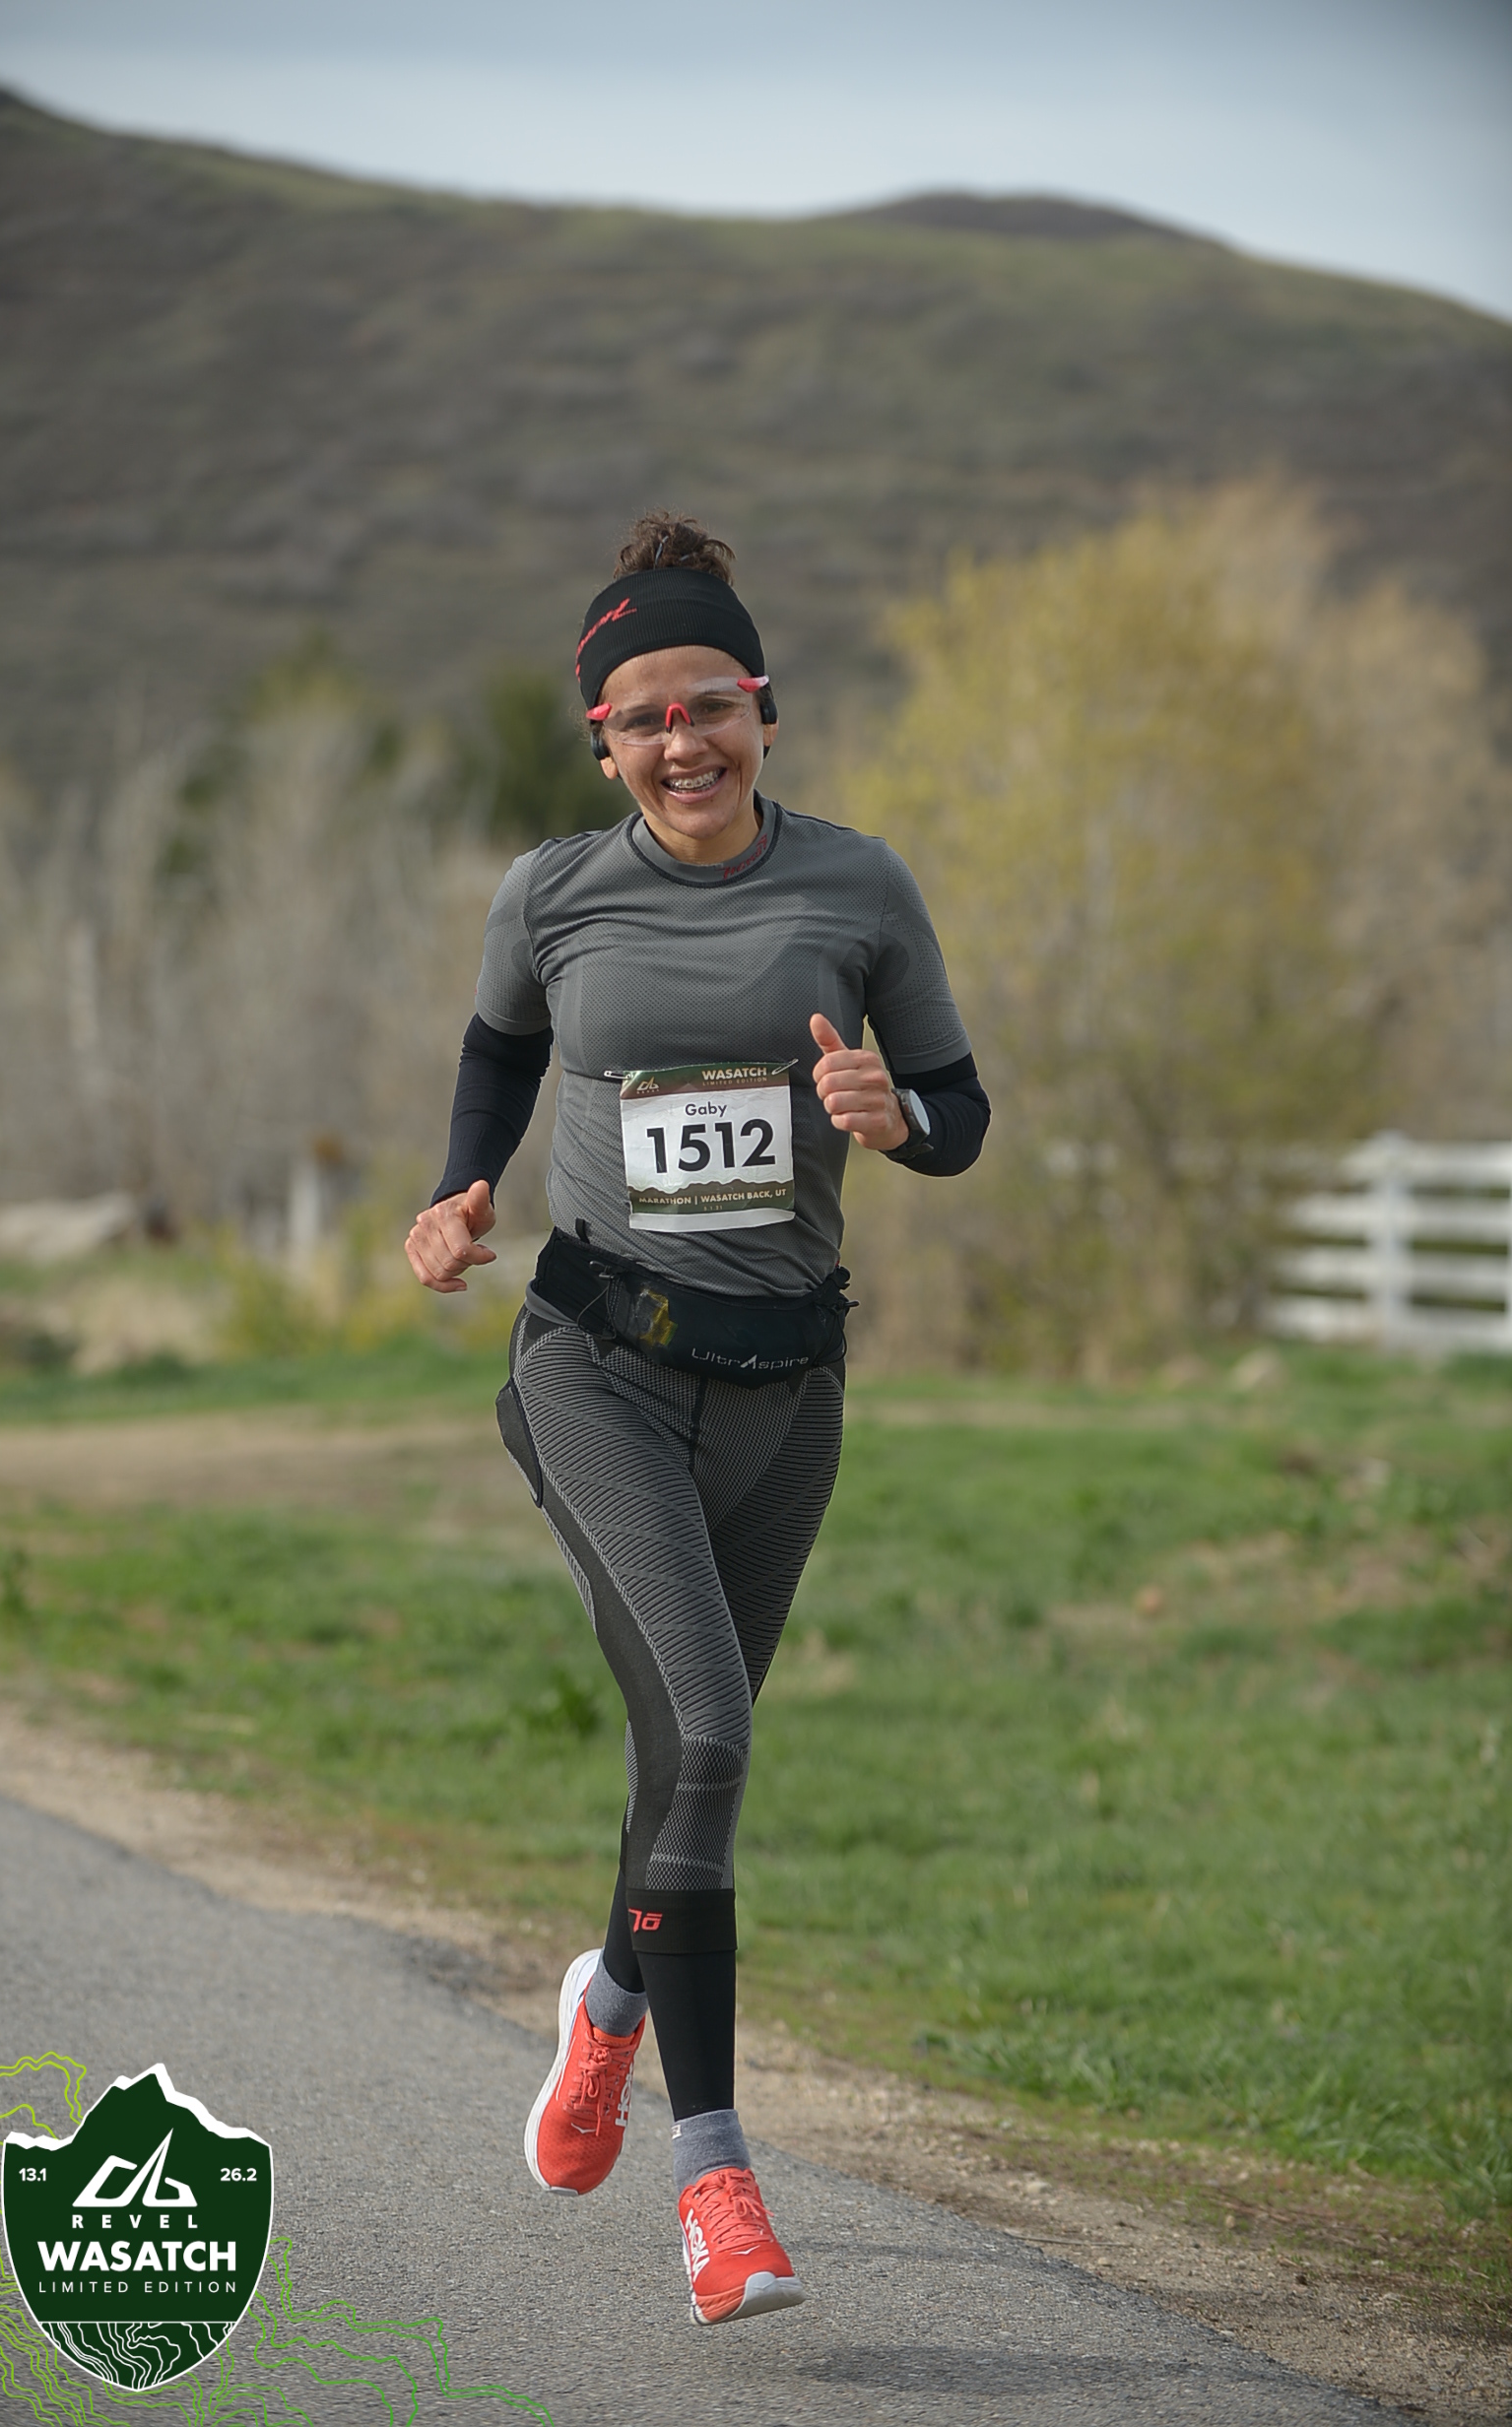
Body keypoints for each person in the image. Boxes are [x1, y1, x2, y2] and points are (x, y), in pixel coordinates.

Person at [405, 512, 988, 2327]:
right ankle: (715, 2183)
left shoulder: (862, 889)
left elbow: (960, 1111)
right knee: (715, 1732)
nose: (685, 741)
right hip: (594, 1366)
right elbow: (501, 1046)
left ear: (764, 708)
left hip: (788, 1389)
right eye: (646, 717)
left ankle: (605, 2009)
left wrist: (898, 1120)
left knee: (686, 1760)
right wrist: (461, 1187)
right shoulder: (551, 895)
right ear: (605, 744)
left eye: (711, 704)